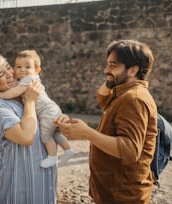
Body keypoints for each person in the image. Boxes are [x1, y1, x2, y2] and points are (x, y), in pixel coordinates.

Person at [55, 40, 158, 203]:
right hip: (112, 192)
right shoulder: (123, 92)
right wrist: (112, 77)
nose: (106, 70)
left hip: (122, 196)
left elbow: (129, 150)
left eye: (113, 65)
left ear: (132, 70)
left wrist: (87, 133)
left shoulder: (134, 99)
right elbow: (102, 97)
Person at [0, 49, 57, 203]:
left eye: (8, 67)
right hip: (20, 189)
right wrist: (30, 102)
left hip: (43, 184)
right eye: (1, 74)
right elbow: (26, 137)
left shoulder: (20, 93)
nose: (10, 74)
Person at [0, 49, 74, 168]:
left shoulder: (28, 80)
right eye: (19, 66)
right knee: (55, 134)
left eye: (27, 67)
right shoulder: (31, 80)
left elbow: (15, 91)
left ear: (37, 70)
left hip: (47, 112)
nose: (23, 69)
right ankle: (68, 150)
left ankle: (52, 156)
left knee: (46, 135)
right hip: (52, 109)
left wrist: (0, 95)